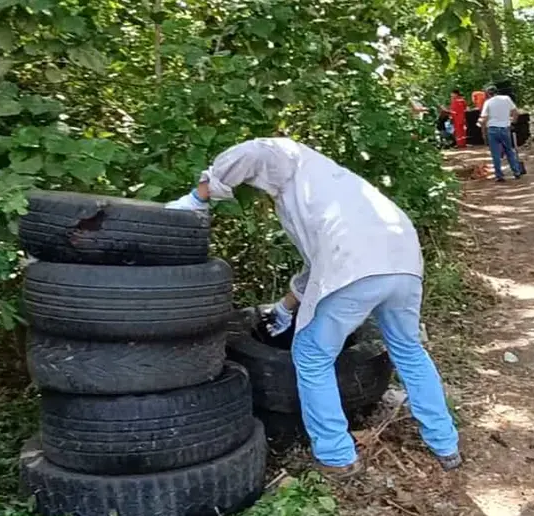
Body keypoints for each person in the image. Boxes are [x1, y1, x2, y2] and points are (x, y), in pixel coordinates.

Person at [164, 138, 462, 477]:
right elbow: (319, 267)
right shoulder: (335, 187)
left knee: (312, 355)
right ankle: (445, 443)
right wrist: (284, 307)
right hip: (403, 262)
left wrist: (199, 196)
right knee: (408, 349)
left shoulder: (288, 157)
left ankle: (336, 456)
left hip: (355, 266)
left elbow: (253, 152)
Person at [479, 87, 524, 182]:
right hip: (505, 129)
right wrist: (513, 123)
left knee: (495, 154)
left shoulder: (488, 102)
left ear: (488, 94)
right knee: (509, 151)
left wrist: (483, 133)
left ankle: (499, 175)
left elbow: (484, 119)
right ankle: (516, 172)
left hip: (492, 130)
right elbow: (515, 112)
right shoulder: (506, 98)